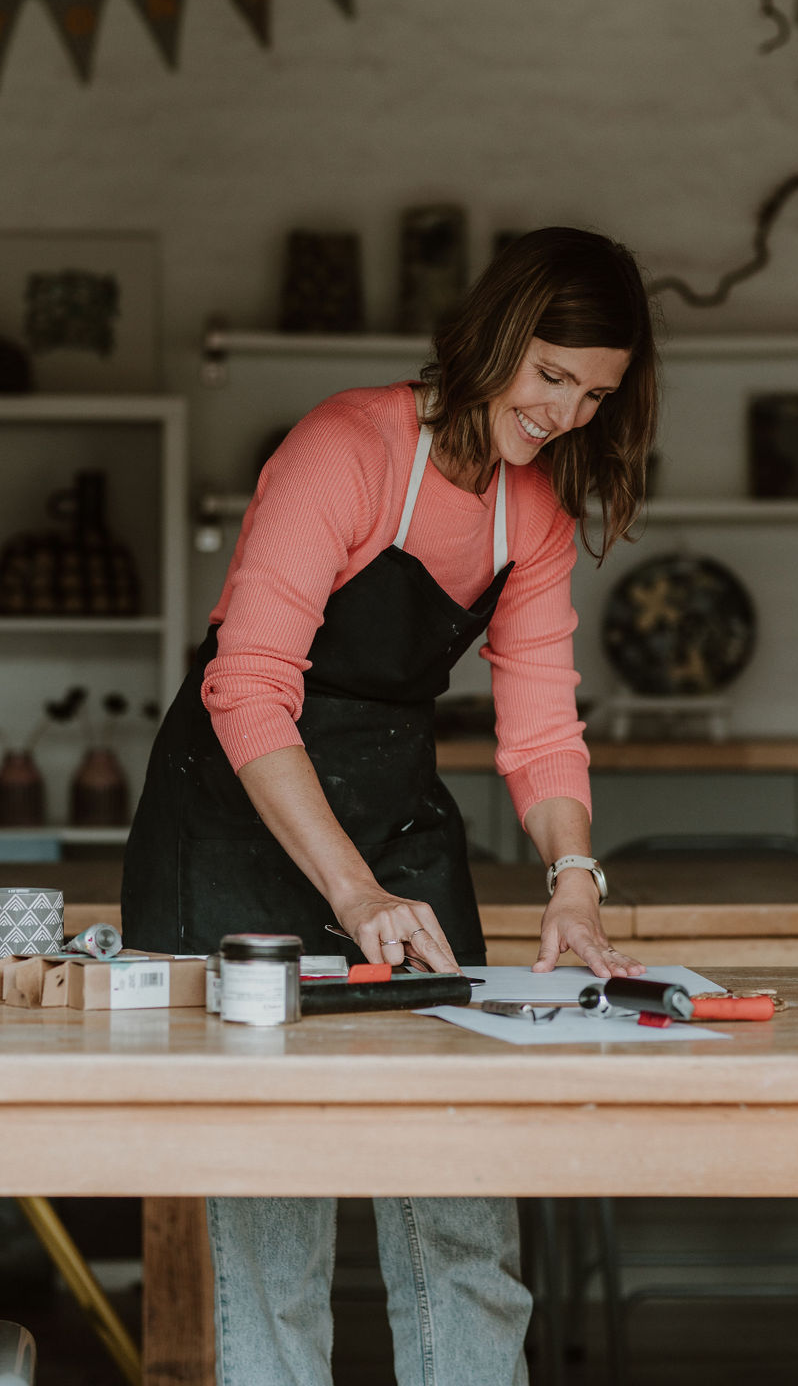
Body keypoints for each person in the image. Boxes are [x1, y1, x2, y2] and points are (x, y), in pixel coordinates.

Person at [121, 224, 660, 1386]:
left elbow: (540, 727)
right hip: (239, 819)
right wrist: (352, 892)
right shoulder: (347, 447)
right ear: (496, 339)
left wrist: (573, 881)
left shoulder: (535, 512)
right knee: (276, 1223)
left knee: (460, 1199)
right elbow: (247, 686)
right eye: (550, 376)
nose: (565, 414)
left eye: (595, 395)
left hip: (393, 815)